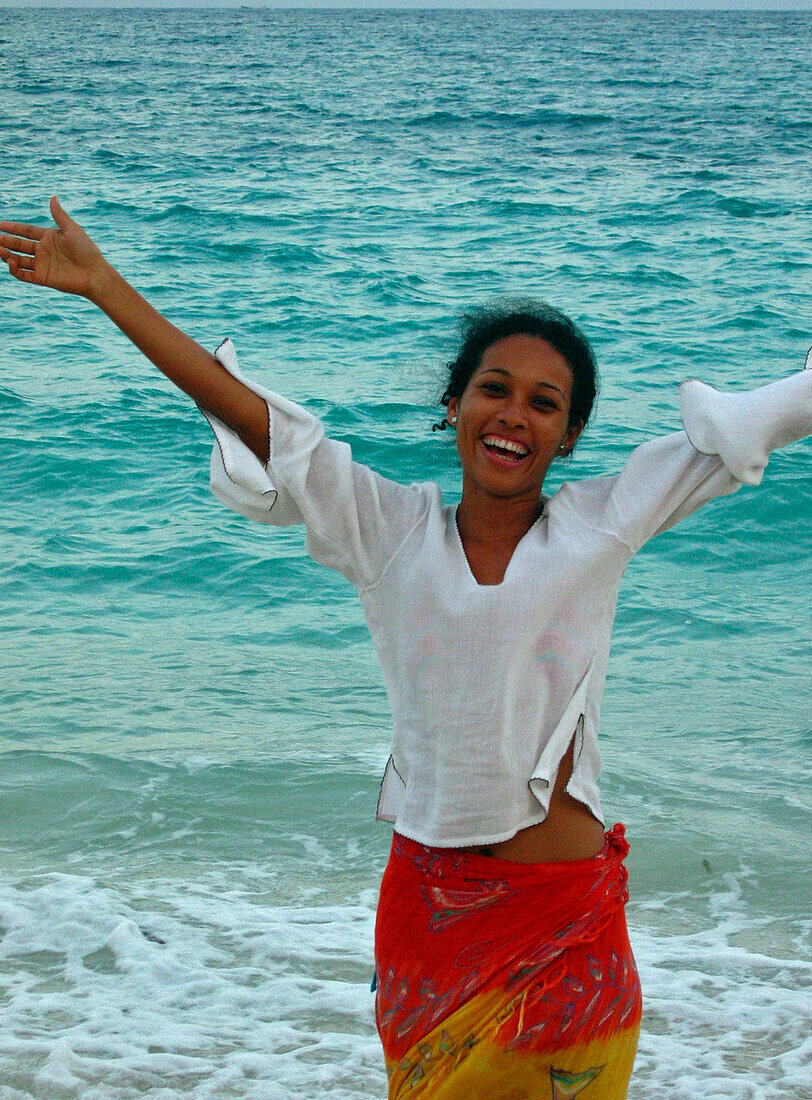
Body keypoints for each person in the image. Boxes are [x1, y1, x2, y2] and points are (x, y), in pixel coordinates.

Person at [2, 198, 810, 1099]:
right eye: (493, 388)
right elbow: (264, 425)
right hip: (430, 930)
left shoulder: (604, 522)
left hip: (568, 931)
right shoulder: (388, 530)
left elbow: (762, 421)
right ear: (454, 405)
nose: (514, 415)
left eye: (546, 403)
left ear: (570, 434)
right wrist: (106, 289)